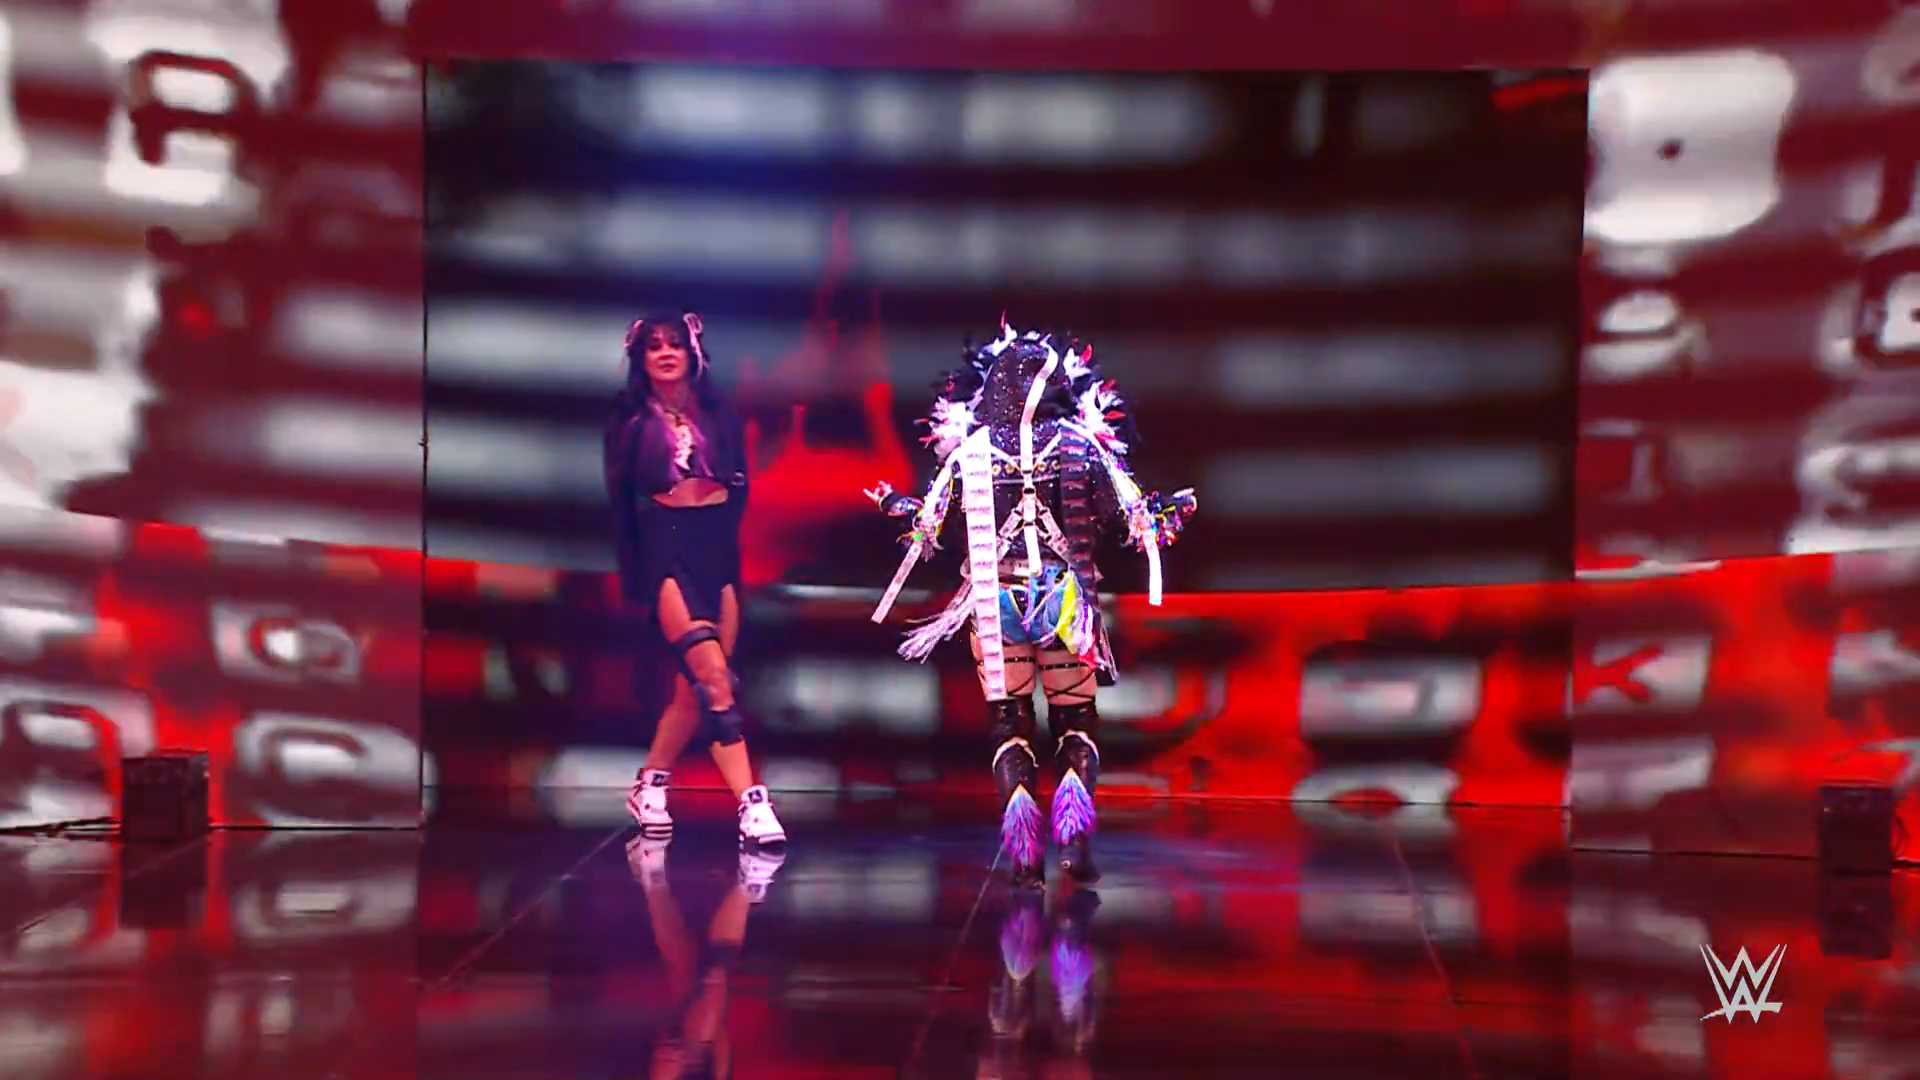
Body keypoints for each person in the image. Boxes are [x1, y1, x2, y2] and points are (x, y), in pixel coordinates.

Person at [864, 321, 1195, 886]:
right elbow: (1135, 522)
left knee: (1009, 724)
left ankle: (1023, 853)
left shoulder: (968, 455)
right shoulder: (1079, 446)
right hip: (1064, 602)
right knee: (1075, 719)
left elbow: (927, 530)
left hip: (996, 604)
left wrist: (893, 504)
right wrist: (1174, 510)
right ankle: (1074, 836)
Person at [605, 312, 785, 850]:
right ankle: (753, 804)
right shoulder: (629, 423)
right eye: (654, 346)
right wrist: (637, 578)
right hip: (665, 550)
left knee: (695, 691)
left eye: (675, 344)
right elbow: (621, 506)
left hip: (717, 550)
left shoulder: (719, 415)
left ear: (692, 353)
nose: (665, 353)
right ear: (639, 358)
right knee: (715, 682)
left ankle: (650, 785)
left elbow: (742, 486)